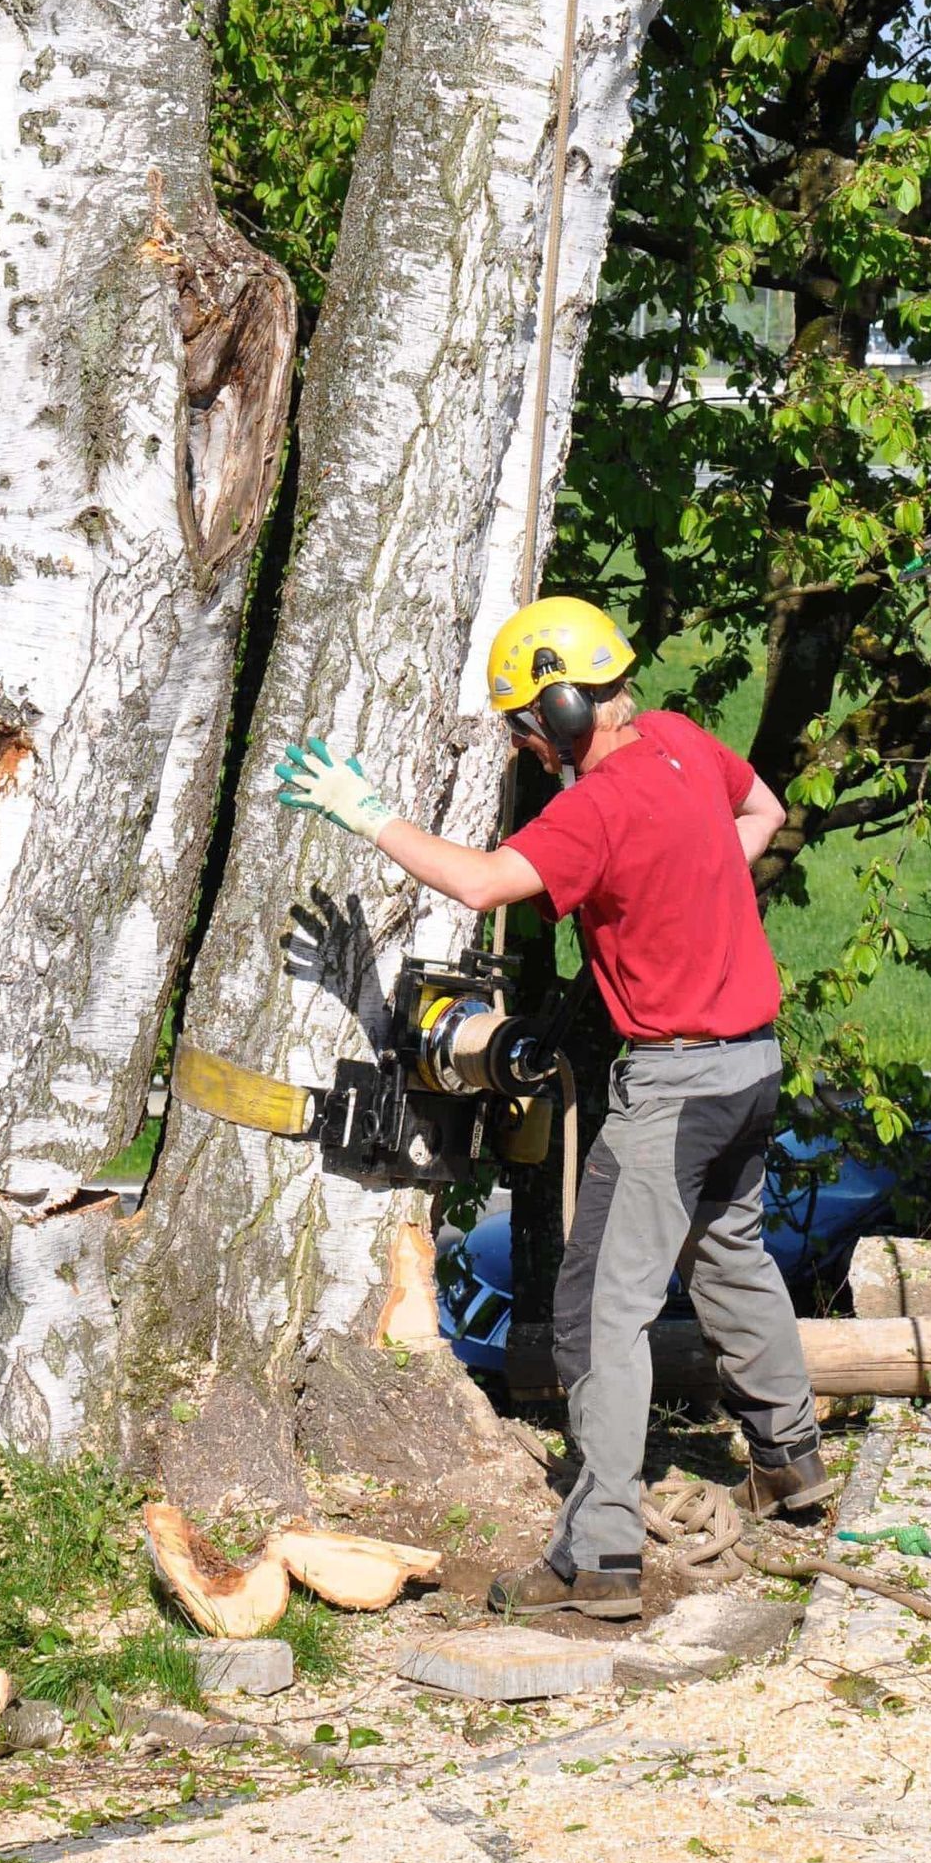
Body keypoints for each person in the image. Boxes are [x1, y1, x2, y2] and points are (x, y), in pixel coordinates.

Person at [275, 596, 825, 1621]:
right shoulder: (678, 743)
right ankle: (793, 1464)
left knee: (596, 1313)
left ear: (567, 706)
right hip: (753, 1068)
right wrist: (692, 884)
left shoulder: (598, 807)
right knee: (731, 1252)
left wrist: (368, 815)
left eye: (529, 724)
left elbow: (485, 884)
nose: (527, 745)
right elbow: (762, 811)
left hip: (675, 1086)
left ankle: (600, 1553)